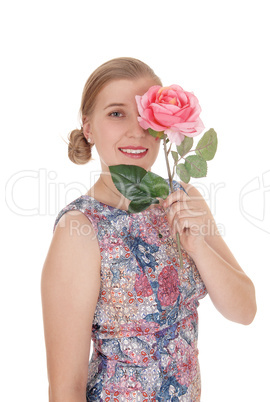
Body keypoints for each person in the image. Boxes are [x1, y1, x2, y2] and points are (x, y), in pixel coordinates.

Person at [41, 57, 257, 402]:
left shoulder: (185, 200)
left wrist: (198, 246)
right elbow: (65, 389)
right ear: (88, 127)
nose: (137, 130)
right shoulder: (80, 229)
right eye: (116, 113)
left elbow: (245, 311)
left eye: (145, 117)